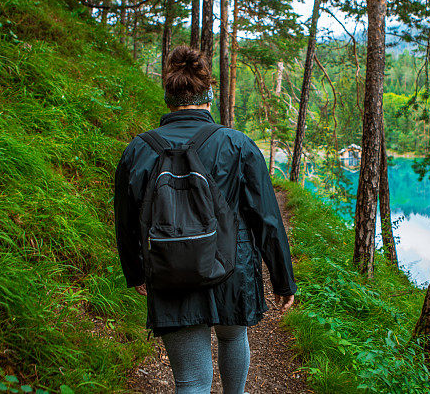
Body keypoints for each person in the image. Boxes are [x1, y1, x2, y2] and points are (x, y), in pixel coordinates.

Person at [114, 45, 296, 394]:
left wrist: (137, 271)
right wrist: (282, 280)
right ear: (208, 95)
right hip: (231, 269)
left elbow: (125, 221)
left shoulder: (138, 149)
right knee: (232, 338)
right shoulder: (238, 144)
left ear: (168, 99)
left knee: (192, 381)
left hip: (169, 272)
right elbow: (267, 219)